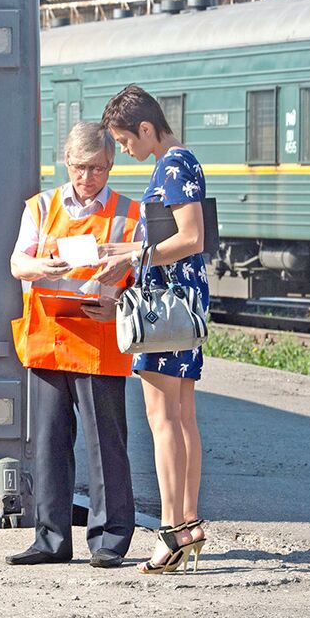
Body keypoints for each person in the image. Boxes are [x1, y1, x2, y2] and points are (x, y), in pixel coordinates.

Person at [7, 121, 143, 569]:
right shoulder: (41, 207)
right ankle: (50, 540)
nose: (89, 179)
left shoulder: (130, 213)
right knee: (48, 444)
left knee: (107, 446)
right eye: (82, 168)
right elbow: (16, 262)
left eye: (100, 169)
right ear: (66, 162)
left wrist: (119, 301)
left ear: (111, 164)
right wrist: (43, 265)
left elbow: (145, 283)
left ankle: (109, 541)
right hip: (49, 338)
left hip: (101, 343)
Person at [96, 84, 209, 574]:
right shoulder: (184, 161)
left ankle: (170, 532)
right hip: (182, 304)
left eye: (125, 141)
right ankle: (187, 525)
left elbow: (192, 237)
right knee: (182, 417)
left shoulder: (174, 165)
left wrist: (132, 253)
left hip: (164, 311)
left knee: (163, 419)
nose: (125, 151)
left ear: (146, 129)